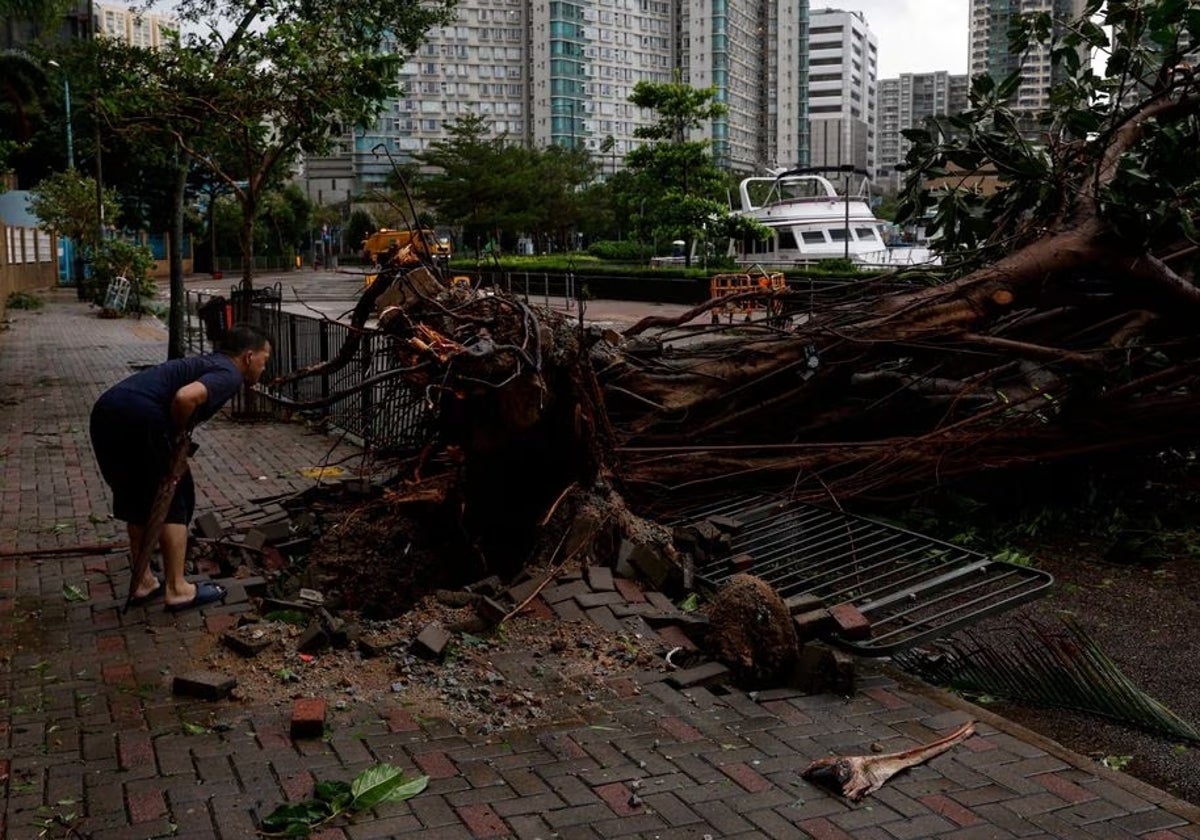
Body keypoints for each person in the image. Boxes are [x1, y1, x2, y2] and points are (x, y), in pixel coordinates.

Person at [89, 323, 272, 612]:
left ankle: (143, 582)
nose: (264, 367)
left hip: (107, 411)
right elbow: (186, 397)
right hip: (142, 418)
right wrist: (177, 432)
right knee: (176, 495)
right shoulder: (229, 373)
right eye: (265, 359)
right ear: (249, 356)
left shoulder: (207, 363)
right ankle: (177, 588)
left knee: (136, 498)